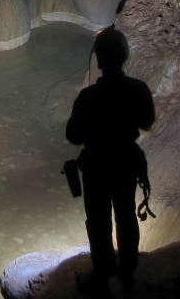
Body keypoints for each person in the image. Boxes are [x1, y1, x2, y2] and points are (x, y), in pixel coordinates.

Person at [65, 26, 155, 297]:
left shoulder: (88, 97)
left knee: (98, 221)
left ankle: (102, 275)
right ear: (124, 57)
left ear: (100, 60)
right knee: (126, 215)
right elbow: (147, 122)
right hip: (125, 161)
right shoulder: (138, 90)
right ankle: (128, 271)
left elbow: (73, 135)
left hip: (96, 164)